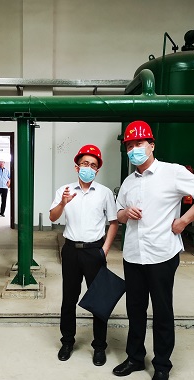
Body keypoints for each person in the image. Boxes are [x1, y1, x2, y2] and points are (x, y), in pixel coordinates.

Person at [113, 120, 194, 380]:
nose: (134, 149)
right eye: (129, 146)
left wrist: (184, 221)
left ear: (151, 145)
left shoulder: (172, 172)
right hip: (133, 255)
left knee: (162, 311)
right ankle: (135, 358)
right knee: (135, 309)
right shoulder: (128, 182)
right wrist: (125, 213)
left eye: (139, 143)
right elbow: (118, 214)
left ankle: (161, 366)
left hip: (161, 255)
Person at [49, 145, 118, 366]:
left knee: (99, 299)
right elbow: (52, 217)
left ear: (97, 170)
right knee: (69, 298)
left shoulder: (105, 193)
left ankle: (99, 346)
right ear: (77, 166)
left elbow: (114, 222)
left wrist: (104, 249)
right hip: (71, 250)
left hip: (94, 251)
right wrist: (63, 203)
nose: (89, 168)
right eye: (85, 163)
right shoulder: (64, 191)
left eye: (93, 165)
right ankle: (67, 342)